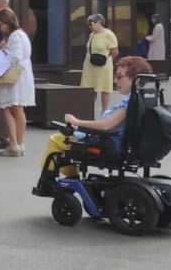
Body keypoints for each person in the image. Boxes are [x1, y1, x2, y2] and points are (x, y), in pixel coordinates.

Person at [35, 55, 153, 189]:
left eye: (119, 76)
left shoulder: (130, 103)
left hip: (109, 144)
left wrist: (77, 122)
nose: (115, 80)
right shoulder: (143, 98)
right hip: (120, 142)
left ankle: (55, 180)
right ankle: (70, 177)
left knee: (56, 140)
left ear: (136, 80)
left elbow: (106, 125)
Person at [0, 6, 33, 157]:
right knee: (18, 109)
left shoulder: (14, 36)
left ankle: (13, 143)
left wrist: (3, 49)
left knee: (7, 108)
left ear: (8, 22)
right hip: (23, 75)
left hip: (14, 76)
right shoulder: (22, 34)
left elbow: (15, 56)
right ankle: (19, 144)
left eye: (1, 25)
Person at [81, 13, 118, 112]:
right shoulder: (92, 35)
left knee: (104, 89)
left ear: (99, 22)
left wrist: (106, 60)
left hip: (103, 65)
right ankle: (89, 111)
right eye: (88, 24)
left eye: (91, 24)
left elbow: (115, 51)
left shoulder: (108, 35)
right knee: (90, 88)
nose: (89, 26)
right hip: (90, 65)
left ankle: (105, 112)